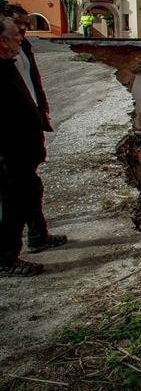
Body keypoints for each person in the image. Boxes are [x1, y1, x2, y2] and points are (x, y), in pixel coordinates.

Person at [5, 5, 67, 254]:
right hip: (10, 139)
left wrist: (41, 110)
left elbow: (33, 83)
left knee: (30, 187)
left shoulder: (22, 49)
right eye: (19, 24)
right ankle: (7, 255)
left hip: (28, 129)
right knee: (14, 196)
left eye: (26, 25)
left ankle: (38, 235)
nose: (24, 30)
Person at [0, 17, 47, 276]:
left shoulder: (9, 65)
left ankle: (38, 237)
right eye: (16, 33)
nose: (22, 37)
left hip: (23, 151)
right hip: (9, 154)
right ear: (2, 40)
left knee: (30, 192)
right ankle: (5, 259)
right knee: (11, 205)